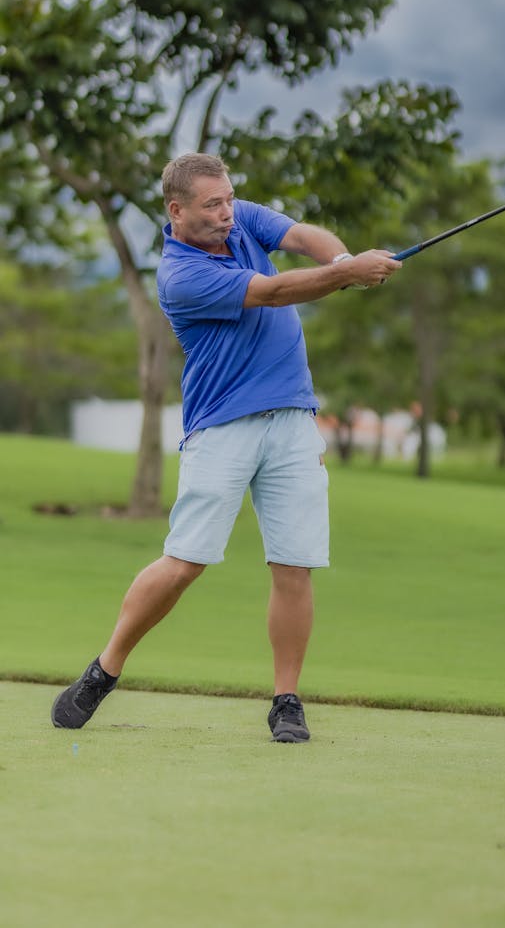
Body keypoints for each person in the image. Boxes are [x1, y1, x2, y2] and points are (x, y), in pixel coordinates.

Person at [51, 152, 401, 742]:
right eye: (212, 205)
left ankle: (286, 700)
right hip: (222, 427)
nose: (226, 213)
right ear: (177, 210)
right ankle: (104, 669)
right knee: (185, 561)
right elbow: (272, 291)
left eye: (229, 200)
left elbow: (301, 236)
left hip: (292, 418)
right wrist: (345, 276)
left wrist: (341, 259)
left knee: (294, 564)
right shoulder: (180, 276)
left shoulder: (238, 218)